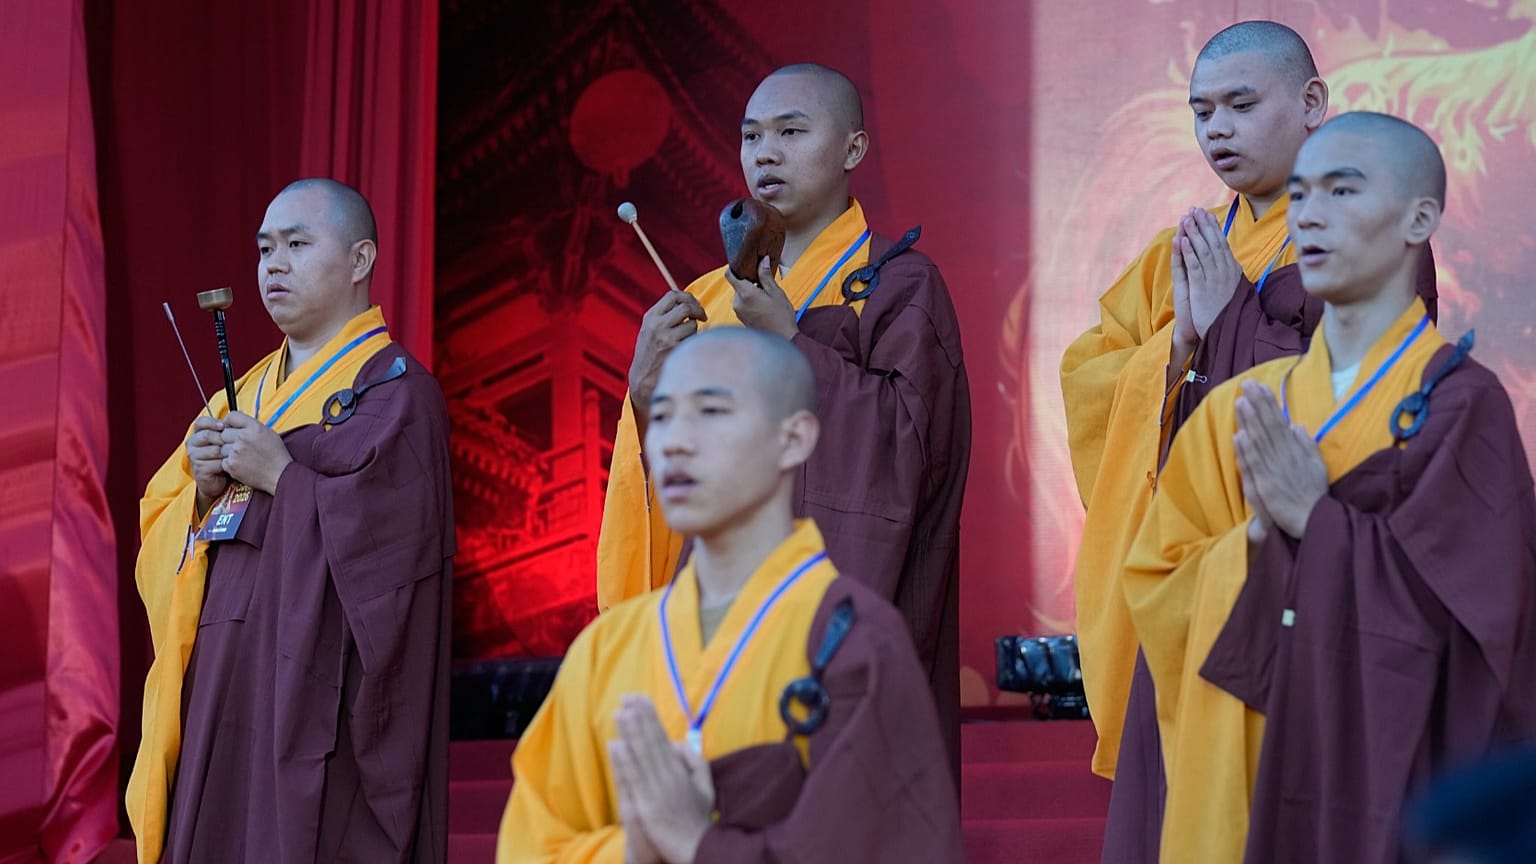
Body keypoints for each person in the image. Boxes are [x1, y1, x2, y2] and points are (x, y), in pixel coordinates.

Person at [1124, 112, 1536, 863]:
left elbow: (1485, 633)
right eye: (1304, 193)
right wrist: (1259, 538)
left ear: (1421, 218)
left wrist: (1318, 522)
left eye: (1343, 191)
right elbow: (1157, 586)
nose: (1311, 214)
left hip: (1384, 770)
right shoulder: (1234, 410)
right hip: (1241, 753)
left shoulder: (1460, 403)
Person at [597, 63, 970, 769]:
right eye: (750, 136)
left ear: (853, 150)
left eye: (791, 132)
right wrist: (646, 393)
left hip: (831, 627)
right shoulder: (705, 298)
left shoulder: (896, 284)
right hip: (713, 618)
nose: (765, 152)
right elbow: (675, 480)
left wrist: (792, 342)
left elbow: (910, 455)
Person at [500, 327, 962, 863]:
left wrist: (696, 844)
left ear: (794, 439)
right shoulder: (604, 650)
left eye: (711, 412)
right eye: (664, 415)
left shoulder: (854, 642)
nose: (674, 440)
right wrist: (634, 852)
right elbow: (531, 846)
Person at [126, 179, 453, 863]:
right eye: (265, 248)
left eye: (298, 245)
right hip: (224, 684)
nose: (274, 264)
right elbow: (169, 539)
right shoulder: (237, 397)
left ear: (360, 260)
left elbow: (395, 567)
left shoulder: (397, 393)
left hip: (314, 698)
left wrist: (283, 478)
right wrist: (202, 489)